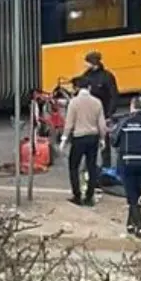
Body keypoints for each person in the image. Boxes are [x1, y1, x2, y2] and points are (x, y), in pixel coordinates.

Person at [111, 96, 141, 238]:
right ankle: (130, 223)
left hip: (127, 161)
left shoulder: (125, 121)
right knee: (136, 193)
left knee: (131, 194)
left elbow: (114, 140)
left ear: (132, 106)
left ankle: (140, 225)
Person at [61, 78, 107, 206]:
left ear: (76, 88)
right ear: (89, 88)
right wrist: (103, 139)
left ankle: (77, 195)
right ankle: (89, 196)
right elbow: (102, 124)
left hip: (79, 137)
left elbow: (69, 123)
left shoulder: (74, 103)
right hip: (93, 137)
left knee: (74, 166)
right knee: (91, 166)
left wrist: (64, 139)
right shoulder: (97, 102)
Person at [74, 51, 118, 167]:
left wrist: (109, 114)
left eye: (87, 62)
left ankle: (106, 166)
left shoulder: (107, 77)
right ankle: (89, 164)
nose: (85, 65)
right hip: (89, 113)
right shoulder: (86, 75)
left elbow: (113, 95)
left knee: (104, 141)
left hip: (103, 113)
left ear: (94, 63)